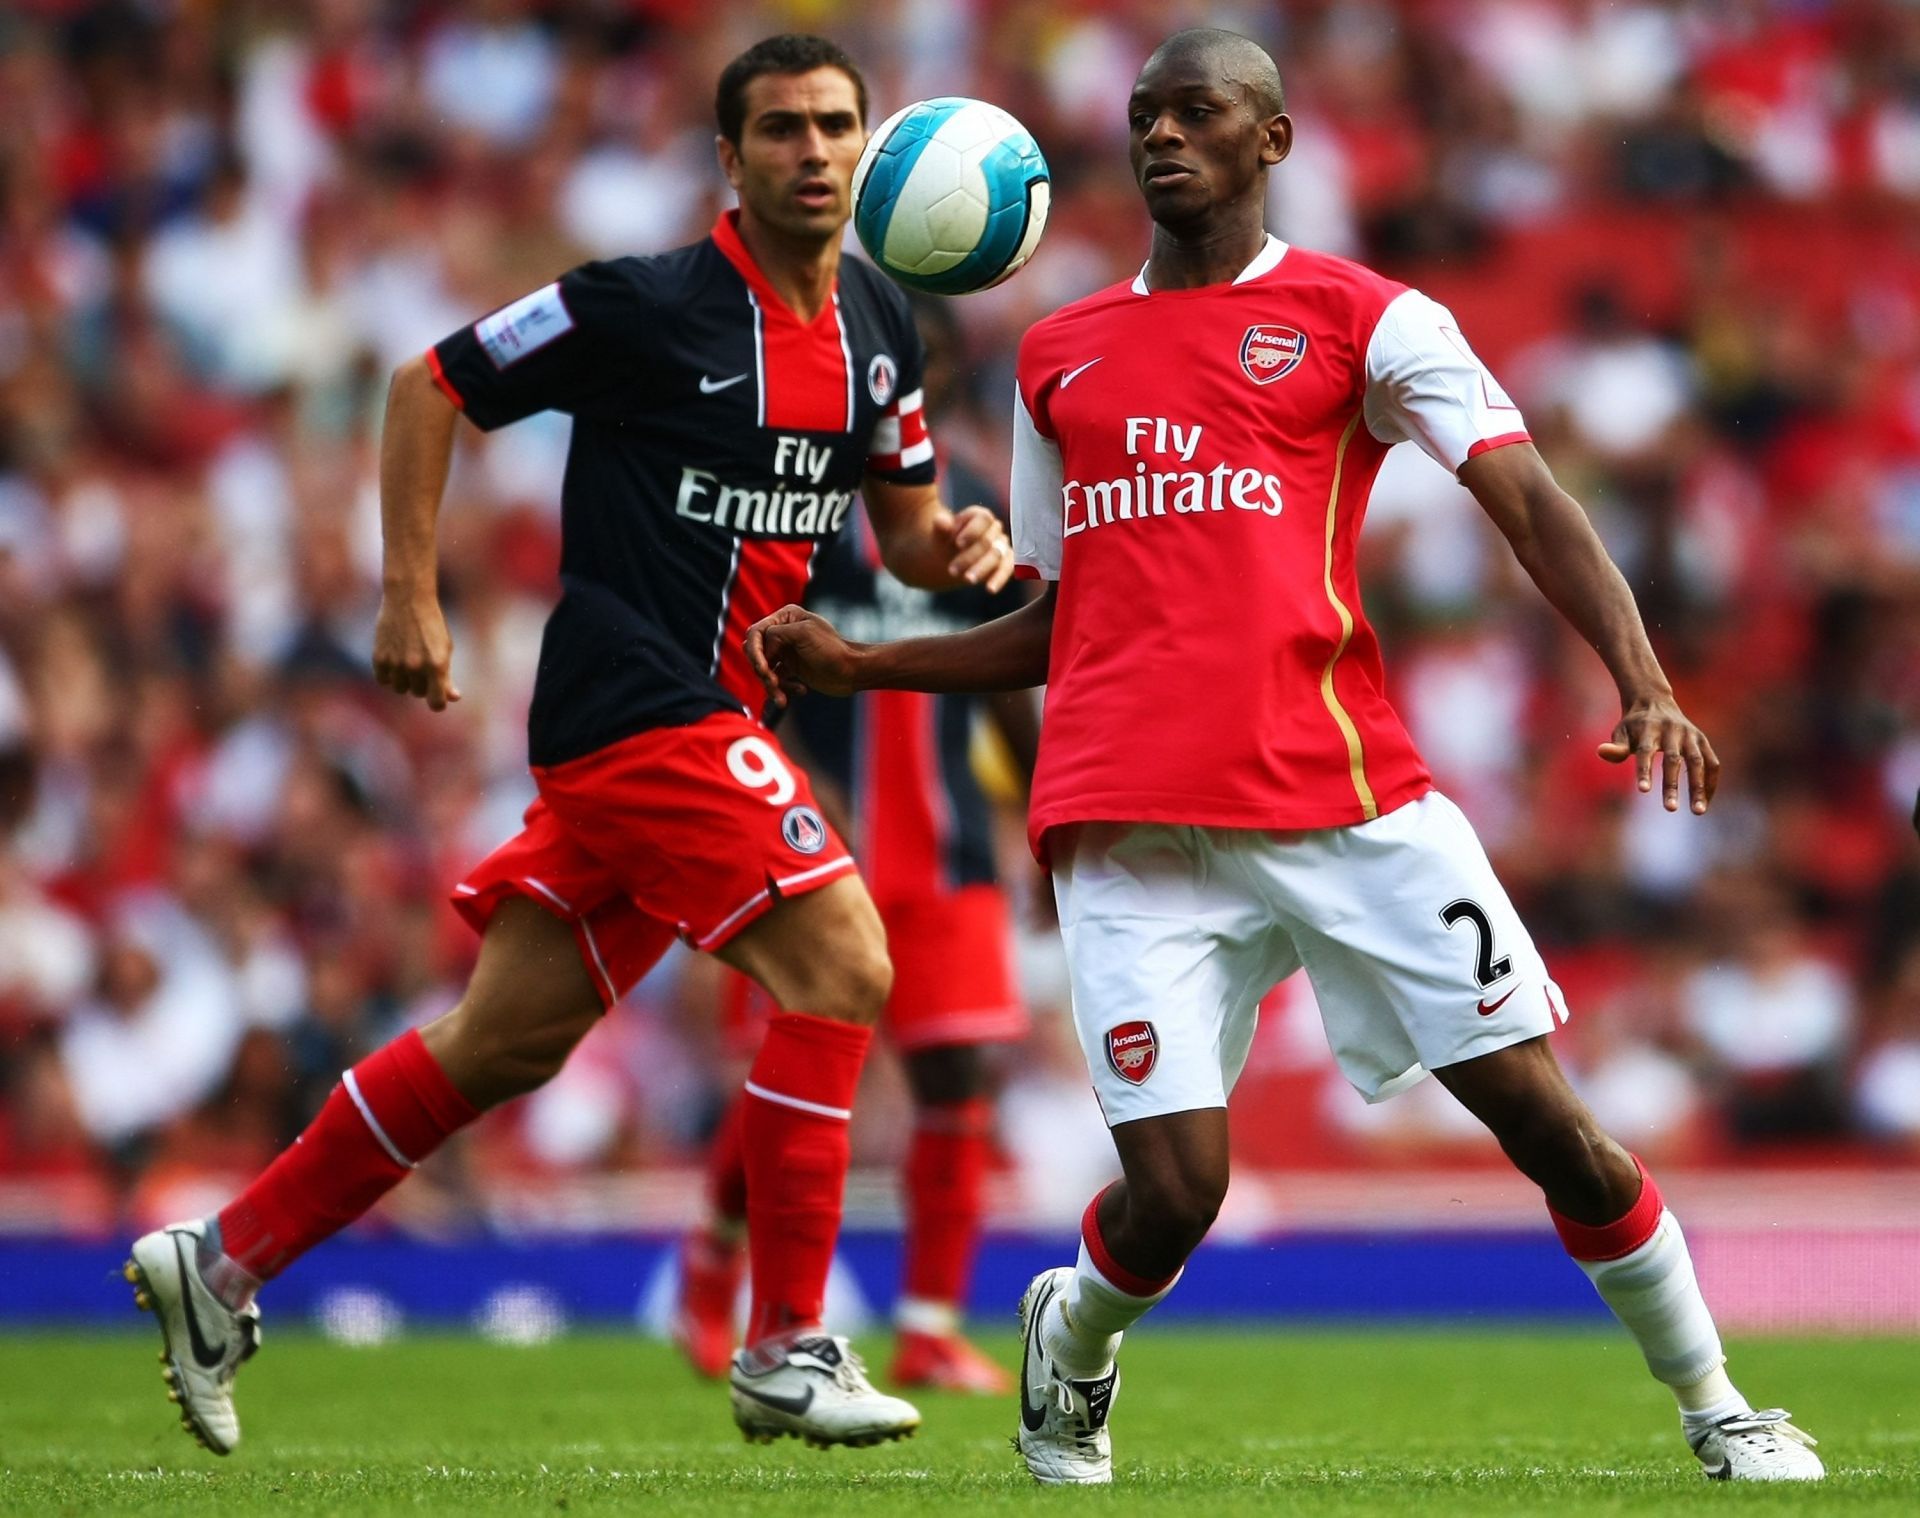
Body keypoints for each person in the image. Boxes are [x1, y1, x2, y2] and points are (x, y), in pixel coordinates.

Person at [744, 27, 1824, 1489]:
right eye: (1144, 116)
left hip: (1348, 802)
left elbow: (1531, 502)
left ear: (1275, 140)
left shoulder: (1365, 315)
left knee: (1554, 1129)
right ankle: (1072, 1336)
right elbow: (1059, 619)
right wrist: (869, 661)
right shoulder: (1063, 354)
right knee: (1178, 1191)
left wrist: (1640, 673)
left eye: (1200, 112)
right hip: (1128, 820)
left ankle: (1717, 1403)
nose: (1163, 136)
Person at [121, 33, 1018, 1457]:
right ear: (729, 158)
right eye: (780, 128)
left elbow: (905, 527)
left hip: (723, 713)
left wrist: (960, 540)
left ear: (870, 145)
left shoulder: (883, 328)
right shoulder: (644, 305)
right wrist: (408, 588)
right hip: (633, 697)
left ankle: (220, 1261)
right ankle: (785, 1339)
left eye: (836, 125)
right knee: (845, 958)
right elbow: (432, 383)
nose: (814, 151)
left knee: (505, 1039)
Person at [677, 298, 1036, 1395]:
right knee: (795, 1065)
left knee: (956, 1071)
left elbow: (1015, 656)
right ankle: (714, 1260)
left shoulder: (972, 507)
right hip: (814, 834)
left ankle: (928, 1328)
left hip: (947, 846)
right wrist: (792, 777)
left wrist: (1045, 801)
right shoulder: (796, 497)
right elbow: (730, 652)